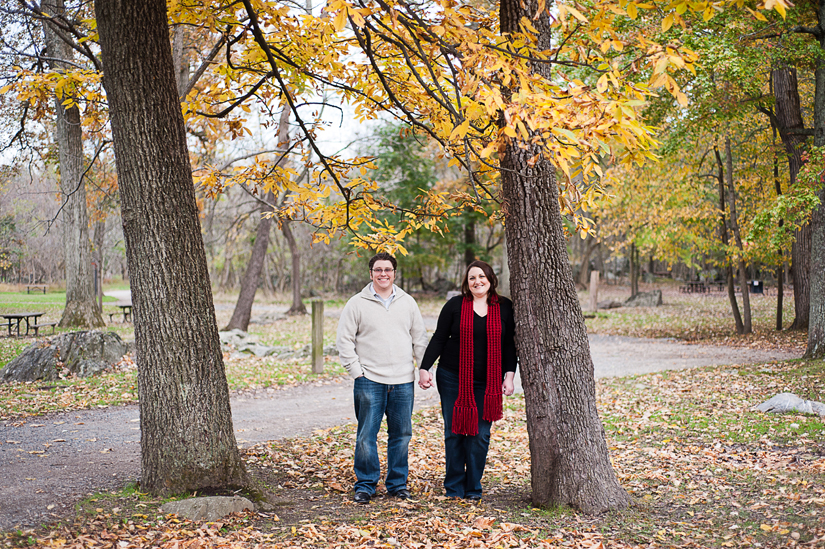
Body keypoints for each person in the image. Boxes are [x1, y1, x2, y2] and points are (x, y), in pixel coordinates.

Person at [418, 260, 517, 501]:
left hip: (488, 383)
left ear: (491, 279)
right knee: (454, 432)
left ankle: (473, 487)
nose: (477, 281)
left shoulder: (505, 307)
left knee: (480, 435)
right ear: (467, 282)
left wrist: (510, 376)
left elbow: (510, 345)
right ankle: (453, 487)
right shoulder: (454, 305)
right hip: (452, 378)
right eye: (472, 277)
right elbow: (440, 337)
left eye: (482, 276)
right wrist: (424, 367)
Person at [336, 252, 429, 504]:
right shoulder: (356, 303)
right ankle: (365, 484)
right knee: (367, 434)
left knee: (401, 434)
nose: (383, 274)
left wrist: (423, 369)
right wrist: (357, 372)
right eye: (378, 270)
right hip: (369, 380)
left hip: (402, 381)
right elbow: (344, 341)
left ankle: (397, 484)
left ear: (394, 273)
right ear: (371, 274)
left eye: (388, 269)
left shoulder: (408, 302)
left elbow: (419, 339)